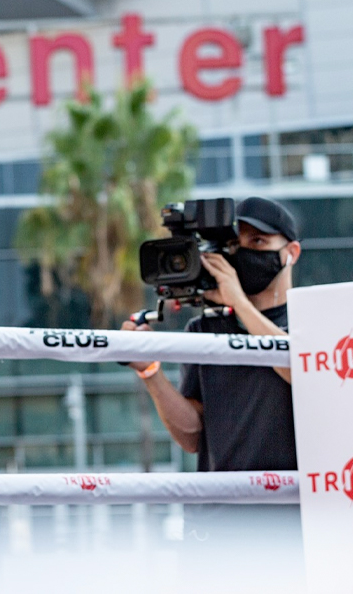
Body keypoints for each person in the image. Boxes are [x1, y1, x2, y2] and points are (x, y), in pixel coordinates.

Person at [123, 196, 302, 565]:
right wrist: (149, 370)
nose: (244, 253)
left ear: (292, 252)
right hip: (216, 527)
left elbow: (305, 372)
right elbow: (192, 436)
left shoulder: (311, 321)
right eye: (235, 244)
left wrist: (240, 303)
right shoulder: (204, 329)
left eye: (259, 242)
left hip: (292, 525)